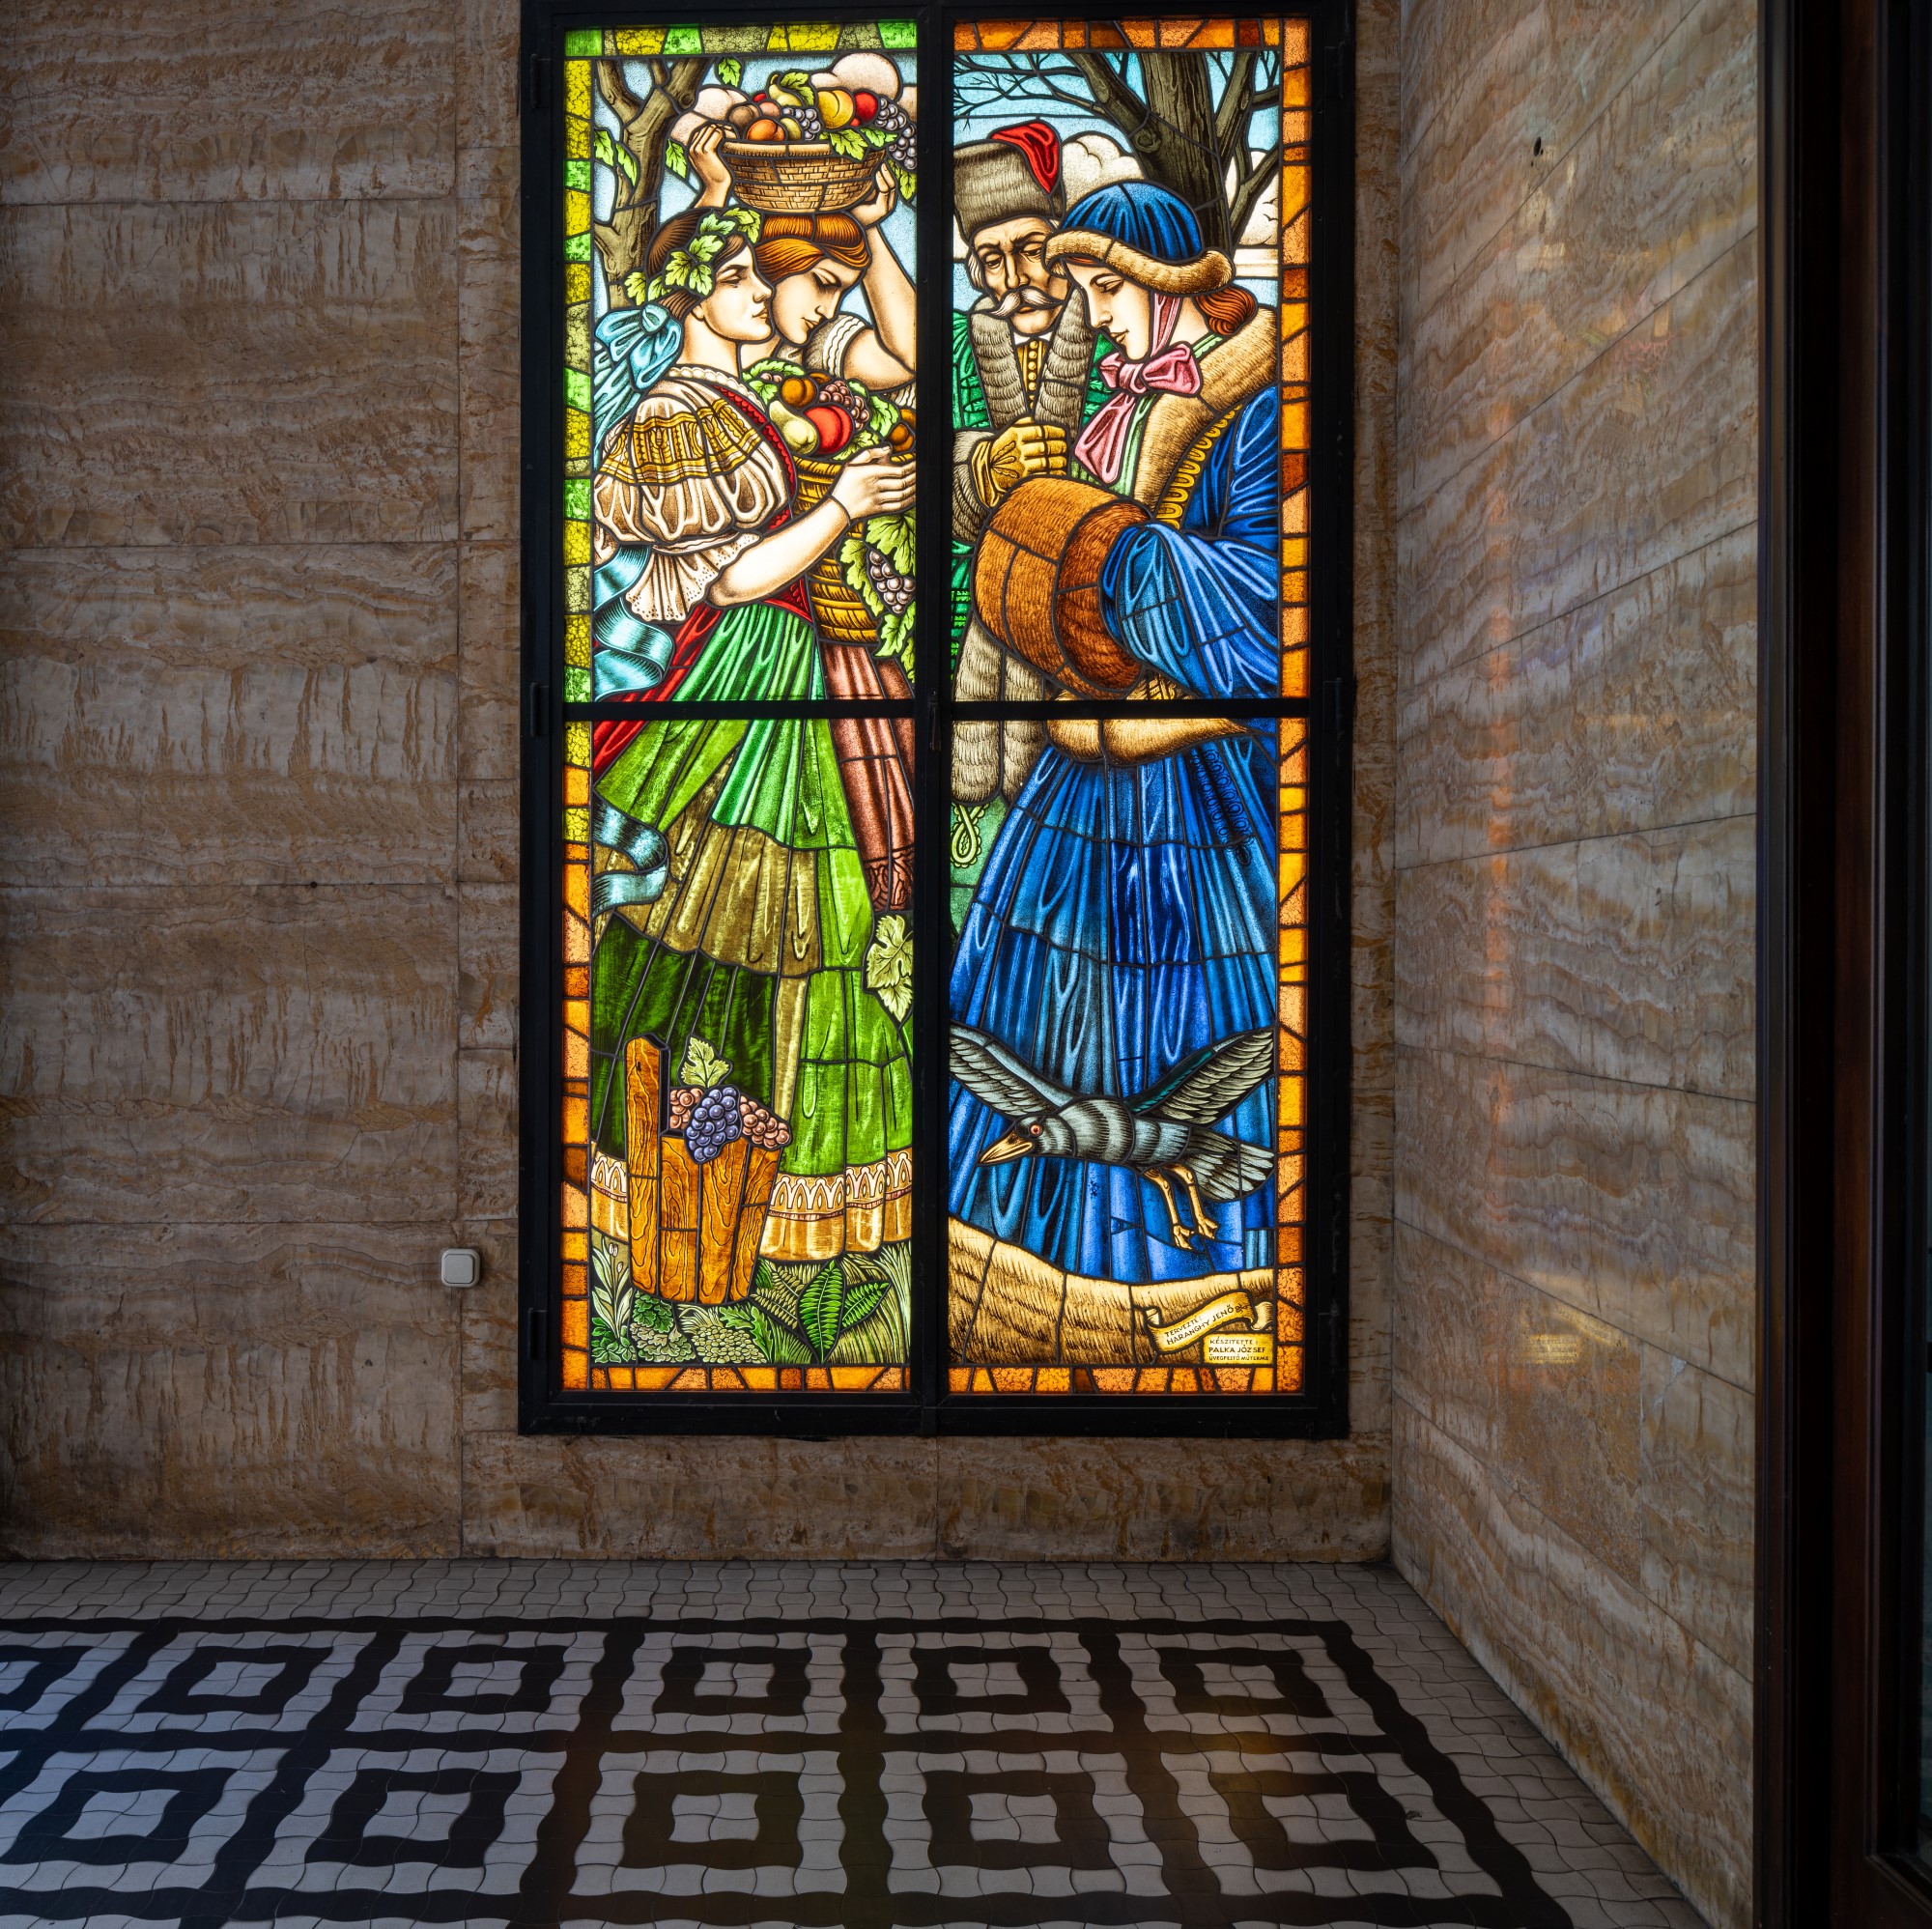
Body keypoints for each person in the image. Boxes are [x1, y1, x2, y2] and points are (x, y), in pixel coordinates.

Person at [946, 181, 1282, 1291]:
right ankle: (1014, 1274)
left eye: (1109, 286)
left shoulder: (1254, 418)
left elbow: (1262, 620)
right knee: (1029, 1015)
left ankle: (1196, 1282)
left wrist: (1104, 559)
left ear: (1174, 283)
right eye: (1087, 287)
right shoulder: (1116, 416)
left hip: (1196, 797)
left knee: (1185, 1011)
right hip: (1072, 789)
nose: (1098, 314)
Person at [588, 209, 918, 1266]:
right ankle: (696, 1175)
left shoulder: (762, 383)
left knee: (812, 928)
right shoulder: (676, 416)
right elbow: (729, 580)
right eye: (748, 275)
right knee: (739, 912)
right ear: (691, 294)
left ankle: (789, 1185)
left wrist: (871, 241)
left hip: (800, 666)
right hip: (750, 676)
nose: (777, 294)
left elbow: (908, 356)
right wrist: (845, 508)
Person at [747, 171, 916, 402]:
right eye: (823, 283)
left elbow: (914, 353)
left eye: (843, 292)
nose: (829, 311)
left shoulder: (812, 351)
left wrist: (867, 229)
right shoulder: (704, 330)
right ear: (777, 260)